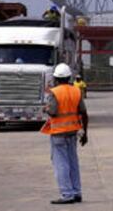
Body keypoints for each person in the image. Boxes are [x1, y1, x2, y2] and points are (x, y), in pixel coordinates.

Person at [42, 63, 88, 205]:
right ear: (69, 77)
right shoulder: (76, 91)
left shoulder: (54, 92)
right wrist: (85, 133)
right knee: (73, 162)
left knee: (61, 164)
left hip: (58, 134)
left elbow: (53, 111)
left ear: (56, 78)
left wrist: (46, 109)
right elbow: (84, 113)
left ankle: (66, 194)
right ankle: (76, 192)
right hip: (73, 132)